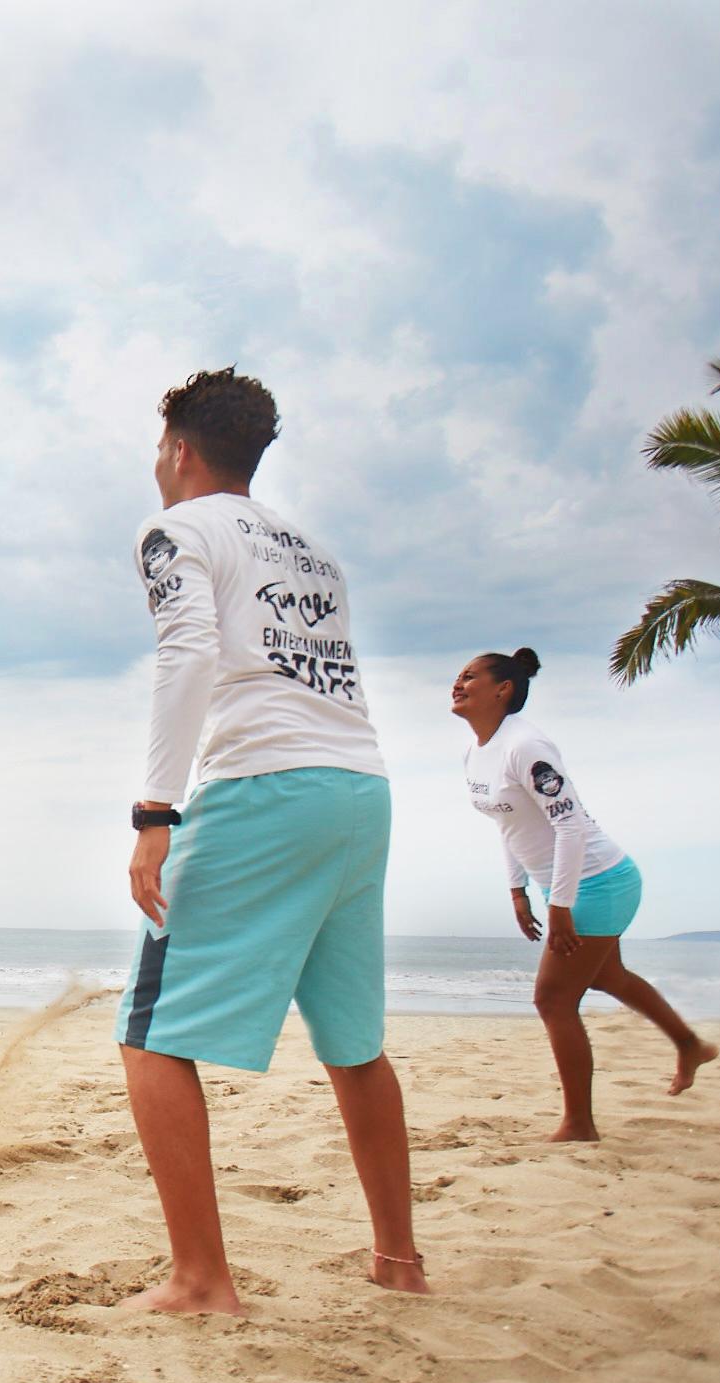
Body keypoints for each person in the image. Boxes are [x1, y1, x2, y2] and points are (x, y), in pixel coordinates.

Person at [117, 368, 428, 1315]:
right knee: (353, 1042)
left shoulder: (176, 529)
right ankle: (398, 1261)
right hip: (359, 789)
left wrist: (155, 813)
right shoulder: (314, 550)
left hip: (266, 788)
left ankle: (202, 1279)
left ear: (178, 449)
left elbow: (190, 653)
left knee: (152, 1037)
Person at [453, 649, 718, 1140]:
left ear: (502, 689)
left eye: (469, 676)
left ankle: (579, 1124)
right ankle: (688, 1044)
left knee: (553, 999)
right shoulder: (477, 752)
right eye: (458, 676)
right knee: (608, 976)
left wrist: (561, 907)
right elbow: (507, 822)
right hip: (566, 883)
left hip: (597, 881)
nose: (457, 683)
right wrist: (518, 891)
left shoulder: (526, 745)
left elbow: (570, 824)